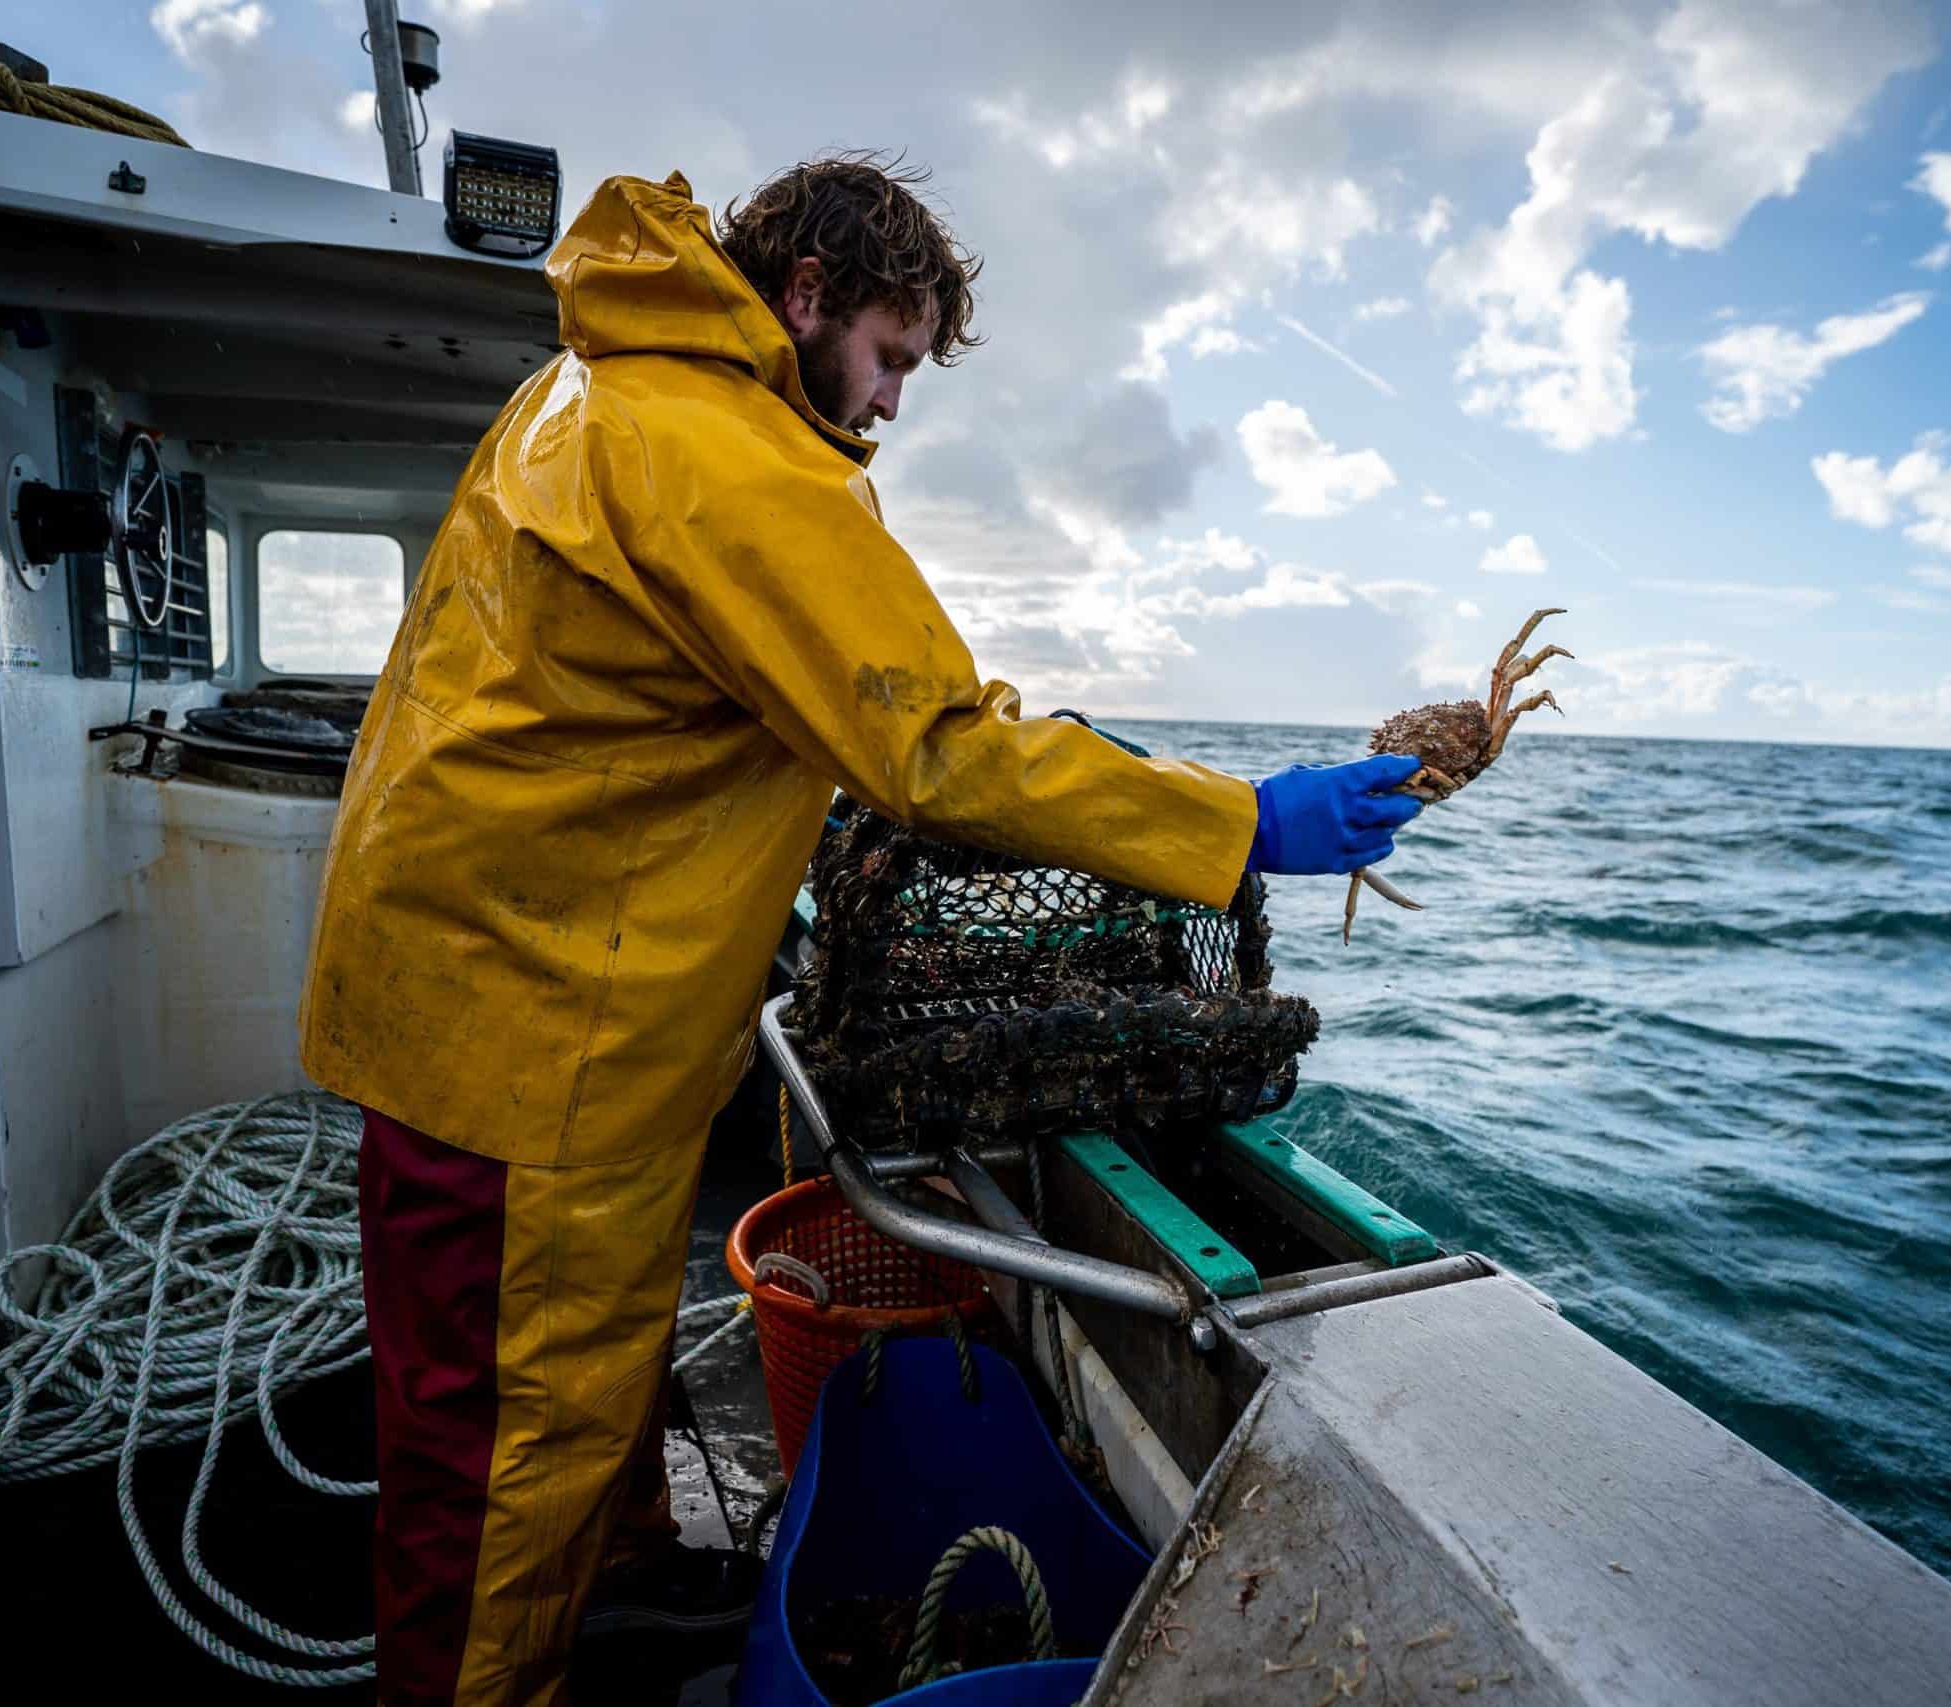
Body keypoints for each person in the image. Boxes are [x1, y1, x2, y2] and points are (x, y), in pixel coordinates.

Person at [297, 152, 1423, 1707]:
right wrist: (1244, 825)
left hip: (483, 999)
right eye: (890, 357)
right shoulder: (726, 453)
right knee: (494, 1468)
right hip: (532, 1046)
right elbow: (937, 747)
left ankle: (609, 1592)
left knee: (535, 1408)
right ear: (808, 295)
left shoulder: (593, 388)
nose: (890, 404)